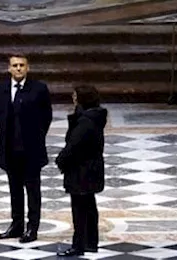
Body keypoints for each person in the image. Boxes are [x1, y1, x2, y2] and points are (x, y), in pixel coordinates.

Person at [0, 55, 52, 243]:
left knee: (33, 190)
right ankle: (16, 224)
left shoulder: (39, 89)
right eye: (14, 65)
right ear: (8, 68)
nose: (18, 68)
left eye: (21, 65)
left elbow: (46, 117)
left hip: (31, 149)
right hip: (9, 148)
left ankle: (32, 227)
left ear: (28, 67)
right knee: (14, 189)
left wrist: (36, 136)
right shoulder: (0, 89)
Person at [56, 85, 107, 257]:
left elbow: (73, 145)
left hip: (81, 171)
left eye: (75, 96)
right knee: (89, 207)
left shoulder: (86, 122)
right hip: (91, 169)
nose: (73, 98)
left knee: (79, 209)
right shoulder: (94, 117)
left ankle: (78, 245)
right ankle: (91, 242)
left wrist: (61, 160)